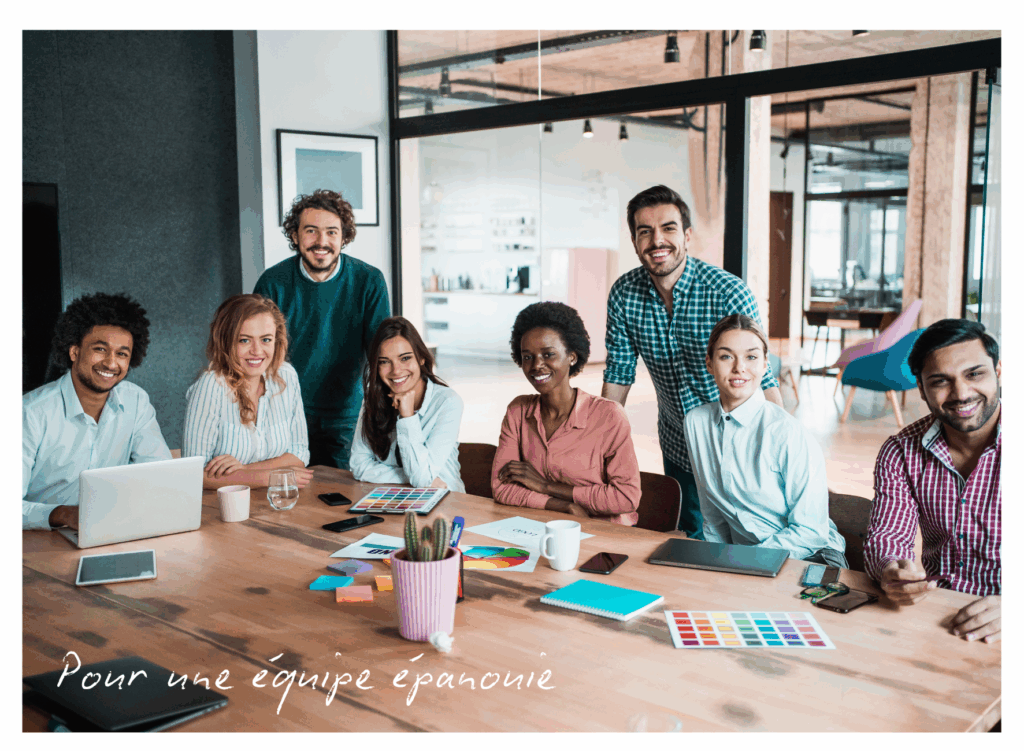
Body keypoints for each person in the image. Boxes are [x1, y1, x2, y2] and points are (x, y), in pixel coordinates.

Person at [602, 185, 782, 538]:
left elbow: (764, 375)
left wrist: (782, 447)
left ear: (687, 235)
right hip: (678, 441)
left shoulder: (728, 292)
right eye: (645, 231)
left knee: (750, 538)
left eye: (668, 228)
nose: (657, 240)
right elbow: (618, 374)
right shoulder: (624, 294)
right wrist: (601, 445)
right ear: (635, 241)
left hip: (738, 446)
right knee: (694, 536)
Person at [863, 319, 1001, 643]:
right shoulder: (901, 452)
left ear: (998, 371)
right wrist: (891, 572)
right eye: (941, 381)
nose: (962, 393)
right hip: (934, 619)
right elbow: (887, 536)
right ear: (922, 389)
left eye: (974, 374)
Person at [684, 315, 846, 565]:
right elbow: (713, 516)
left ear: (765, 365)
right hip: (747, 559)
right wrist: (718, 568)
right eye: (726, 356)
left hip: (810, 554)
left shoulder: (787, 432)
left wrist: (745, 560)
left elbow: (811, 532)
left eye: (751, 357)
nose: (739, 368)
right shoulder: (696, 422)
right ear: (709, 363)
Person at [253, 189, 390, 470]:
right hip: (283, 412)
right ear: (295, 236)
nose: (321, 241)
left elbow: (381, 352)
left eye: (331, 232)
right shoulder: (272, 283)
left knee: (341, 496)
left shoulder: (369, 281)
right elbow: (256, 352)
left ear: (344, 237)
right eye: (311, 231)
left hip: (345, 414)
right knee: (286, 491)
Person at [23, 292, 172, 531]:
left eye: (122, 354)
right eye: (100, 349)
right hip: (41, 542)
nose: (112, 363)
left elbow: (161, 475)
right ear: (74, 352)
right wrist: (63, 515)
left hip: (111, 531)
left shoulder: (136, 402)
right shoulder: (30, 413)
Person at [492, 301, 641, 525]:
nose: (536, 365)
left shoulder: (609, 416)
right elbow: (502, 488)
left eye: (548, 354)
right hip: (544, 527)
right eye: (527, 357)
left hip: (605, 534)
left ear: (572, 356)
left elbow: (626, 497)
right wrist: (565, 506)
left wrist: (545, 487)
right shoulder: (518, 412)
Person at [183, 294, 313, 490]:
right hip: (223, 509)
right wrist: (270, 477)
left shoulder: (286, 376)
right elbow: (193, 473)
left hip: (277, 503)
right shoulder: (211, 385)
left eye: (266, 340)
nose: (257, 350)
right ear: (226, 342)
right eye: (244, 340)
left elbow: (299, 453)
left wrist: (244, 470)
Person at [350, 317, 464, 491]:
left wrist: (407, 416)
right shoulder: (373, 399)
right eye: (384, 362)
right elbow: (359, 466)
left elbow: (422, 477)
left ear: (421, 358)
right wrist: (408, 478)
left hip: (447, 503)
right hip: (393, 499)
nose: (396, 370)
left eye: (405, 358)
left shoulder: (448, 402)